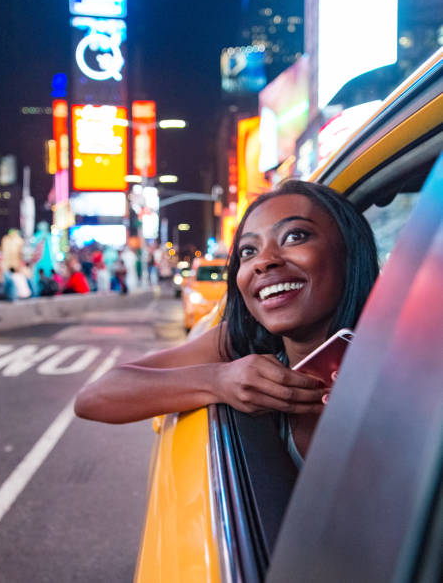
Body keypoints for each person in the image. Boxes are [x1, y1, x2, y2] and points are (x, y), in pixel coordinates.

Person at [74, 181, 379, 465]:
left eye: (294, 236)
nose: (263, 261)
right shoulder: (242, 341)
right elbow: (94, 396)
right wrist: (218, 381)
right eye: (248, 251)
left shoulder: (404, 373)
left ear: (349, 252)